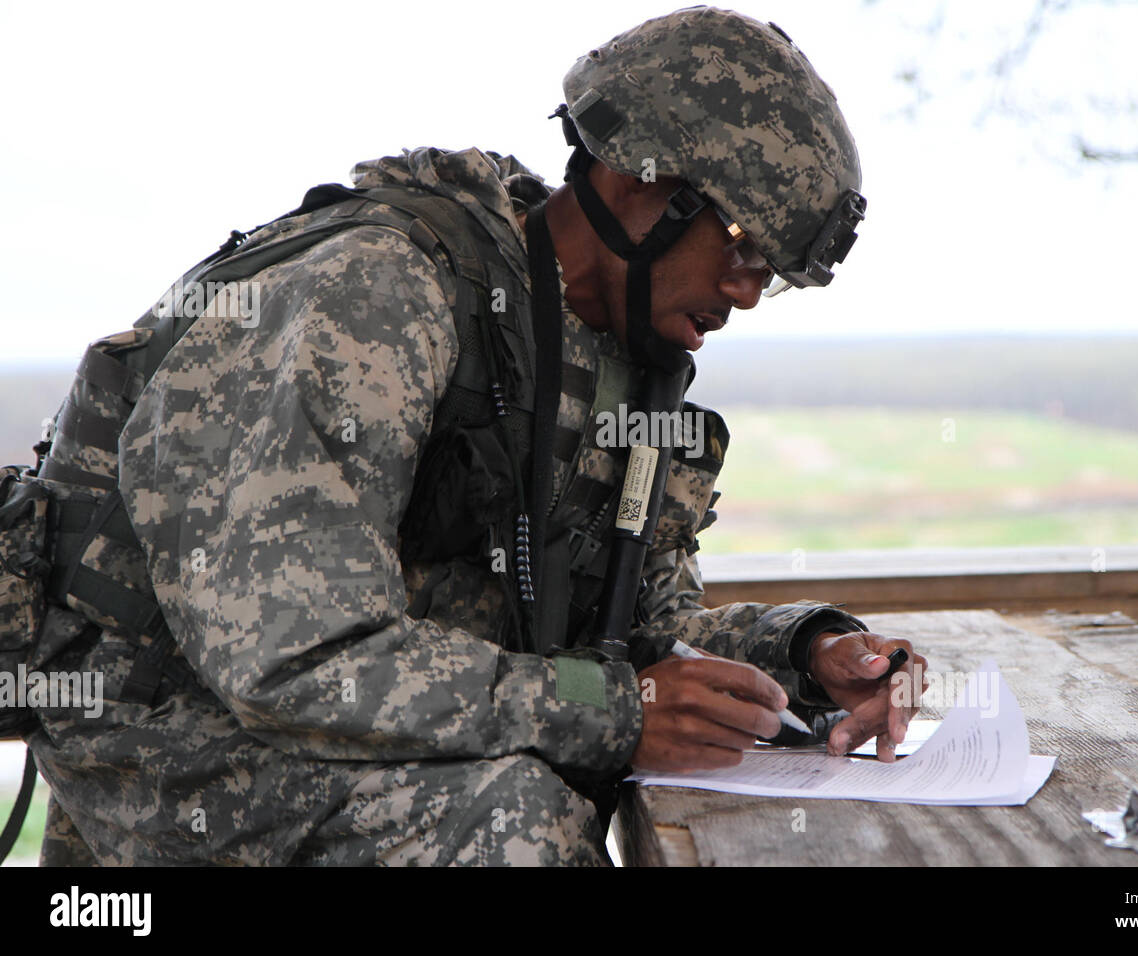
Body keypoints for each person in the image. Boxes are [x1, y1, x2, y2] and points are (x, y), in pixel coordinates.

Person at [26, 6, 928, 866]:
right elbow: (297, 659)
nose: (744, 292)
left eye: (768, 274)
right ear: (640, 185)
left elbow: (642, 630)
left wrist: (807, 655)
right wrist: (613, 712)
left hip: (383, 730)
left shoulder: (621, 362)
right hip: (180, 741)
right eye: (740, 247)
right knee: (517, 827)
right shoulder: (376, 297)